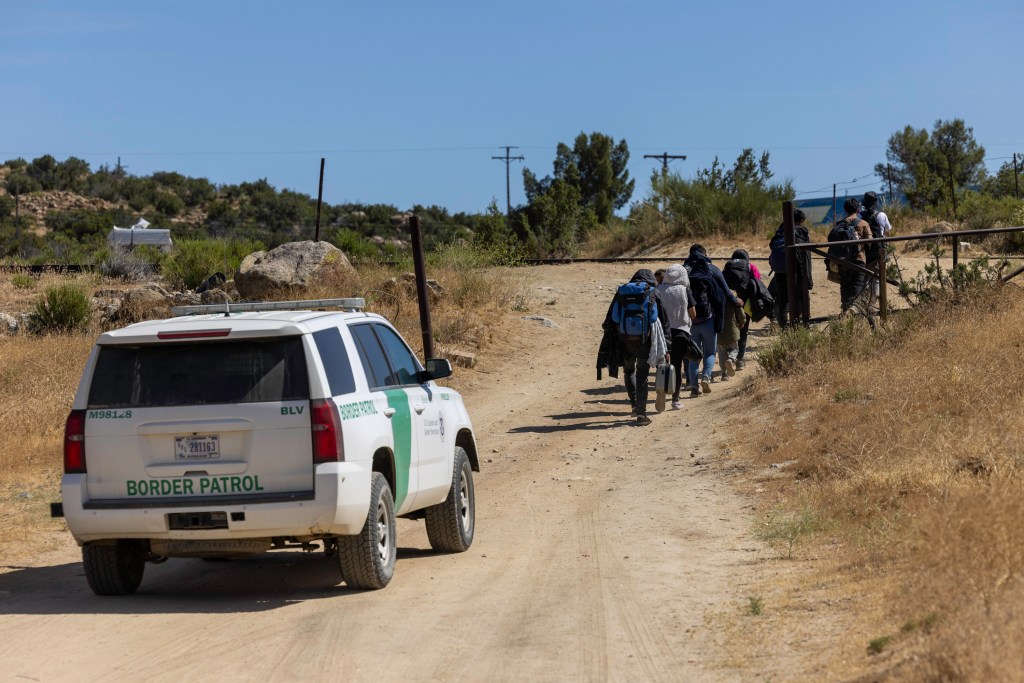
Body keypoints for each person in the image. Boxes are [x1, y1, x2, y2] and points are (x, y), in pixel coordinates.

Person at [603, 269, 671, 425]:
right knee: (642, 374)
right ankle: (641, 414)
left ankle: (634, 406)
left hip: (624, 339)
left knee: (629, 371)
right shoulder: (653, 292)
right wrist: (667, 346)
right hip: (645, 341)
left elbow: (611, 318)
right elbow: (664, 321)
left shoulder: (622, 290)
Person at [683, 245, 740, 397]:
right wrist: (735, 301)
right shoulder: (712, 269)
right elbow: (726, 292)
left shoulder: (684, 270)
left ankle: (693, 387)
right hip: (708, 319)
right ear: (705, 254)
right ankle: (706, 378)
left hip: (691, 322)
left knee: (693, 356)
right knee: (709, 353)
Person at [656, 264, 697, 409]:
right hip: (680, 332)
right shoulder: (684, 290)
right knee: (677, 366)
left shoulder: (659, 289)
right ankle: (675, 399)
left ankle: (661, 391)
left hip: (662, 334)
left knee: (661, 364)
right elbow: (693, 314)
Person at [769, 209, 813, 328]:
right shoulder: (801, 231)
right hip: (797, 270)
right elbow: (806, 253)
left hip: (780, 270)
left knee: (783, 299)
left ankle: (784, 328)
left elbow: (771, 245)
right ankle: (804, 325)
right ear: (802, 220)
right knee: (802, 297)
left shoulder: (780, 230)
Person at [722, 249, 762, 370]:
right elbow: (758, 282)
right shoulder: (750, 267)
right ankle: (740, 360)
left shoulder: (727, 266)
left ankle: (730, 356)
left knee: (729, 328)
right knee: (743, 330)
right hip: (746, 303)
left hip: (729, 302)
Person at [831, 197, 872, 313]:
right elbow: (870, 241)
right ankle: (854, 311)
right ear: (858, 209)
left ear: (845, 210)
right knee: (858, 288)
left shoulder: (838, 225)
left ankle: (846, 311)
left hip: (842, 261)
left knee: (845, 288)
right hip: (858, 260)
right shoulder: (863, 223)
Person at [861, 191, 893, 304]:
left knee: (865, 276)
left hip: (866, 251)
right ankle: (876, 301)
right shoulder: (882, 215)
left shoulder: (860, 216)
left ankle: (865, 301)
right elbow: (887, 231)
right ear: (875, 202)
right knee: (878, 276)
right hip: (880, 251)